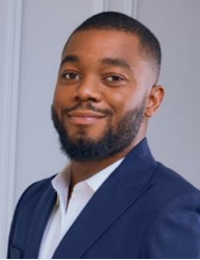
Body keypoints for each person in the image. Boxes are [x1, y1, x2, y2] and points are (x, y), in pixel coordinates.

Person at [7, 12, 200, 259]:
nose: (84, 91)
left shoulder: (175, 211)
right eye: (71, 75)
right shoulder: (33, 200)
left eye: (113, 78)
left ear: (152, 101)